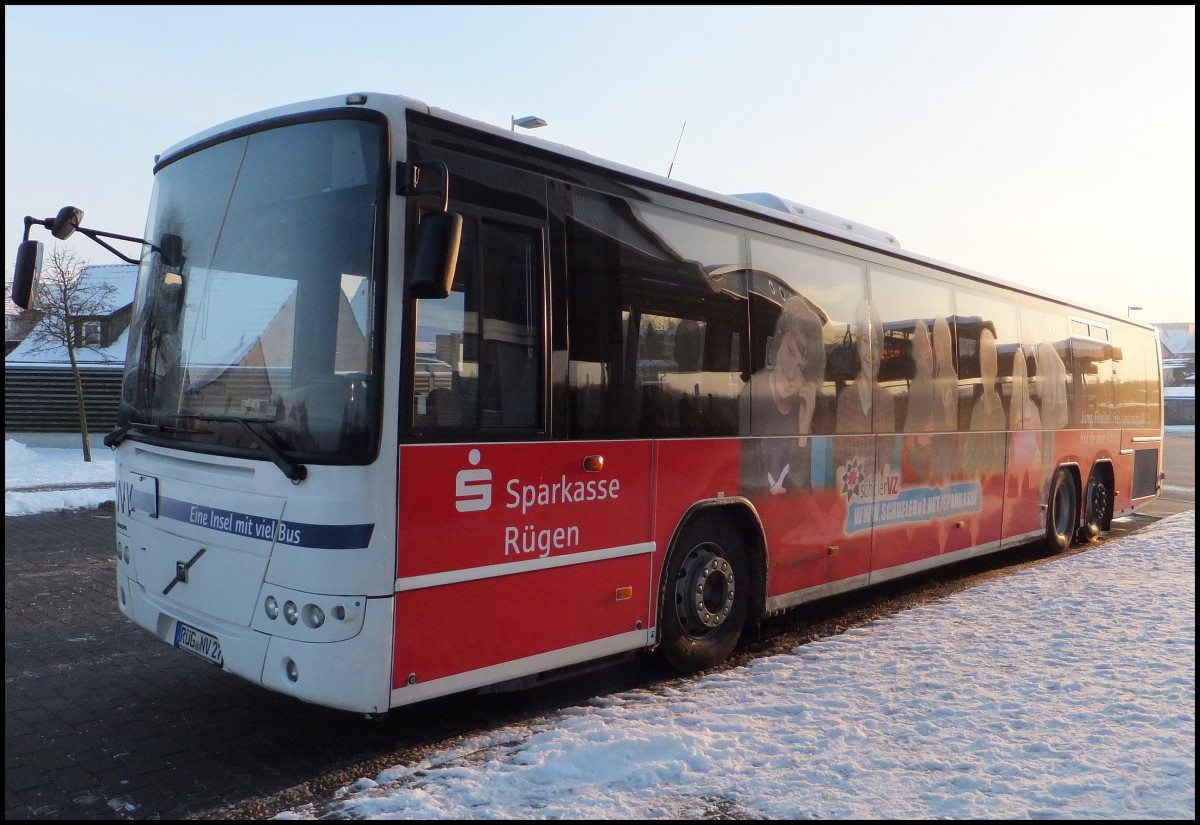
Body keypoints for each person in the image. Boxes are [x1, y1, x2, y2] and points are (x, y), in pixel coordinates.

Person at [740, 296, 825, 495]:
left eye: (803, 367)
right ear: (777, 346)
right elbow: (751, 484)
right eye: (790, 351)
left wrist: (804, 428)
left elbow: (802, 486)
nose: (792, 372)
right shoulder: (754, 394)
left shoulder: (802, 407)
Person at [836, 298, 895, 434]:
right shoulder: (845, 398)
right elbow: (840, 451)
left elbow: (888, 450)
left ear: (881, 351)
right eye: (865, 341)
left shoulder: (887, 400)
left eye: (875, 344)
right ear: (858, 348)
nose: (871, 354)